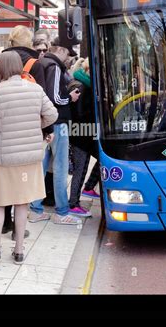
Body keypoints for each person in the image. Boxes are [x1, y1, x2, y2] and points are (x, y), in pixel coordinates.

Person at [0, 51, 58, 264]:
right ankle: (19, 250)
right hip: (30, 156)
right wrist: (35, 127)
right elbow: (52, 115)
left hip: (4, 156)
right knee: (22, 202)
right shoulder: (35, 89)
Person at [1, 26, 48, 237]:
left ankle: (5, 223)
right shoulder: (34, 63)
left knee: (5, 178)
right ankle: (18, 230)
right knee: (23, 179)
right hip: (28, 129)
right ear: (28, 40)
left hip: (5, 127)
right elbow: (44, 101)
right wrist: (48, 129)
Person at [29, 42, 83, 225]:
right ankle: (61, 212)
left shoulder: (41, 63)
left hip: (43, 123)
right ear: (59, 50)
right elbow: (55, 98)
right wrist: (71, 97)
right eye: (67, 53)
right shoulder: (55, 66)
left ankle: (35, 209)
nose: (68, 58)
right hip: (57, 123)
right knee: (60, 169)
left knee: (41, 168)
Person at [68, 59, 101, 216]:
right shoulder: (80, 86)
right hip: (81, 134)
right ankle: (73, 204)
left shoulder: (84, 84)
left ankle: (88, 188)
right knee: (80, 170)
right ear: (89, 70)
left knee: (101, 159)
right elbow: (78, 113)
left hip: (85, 133)